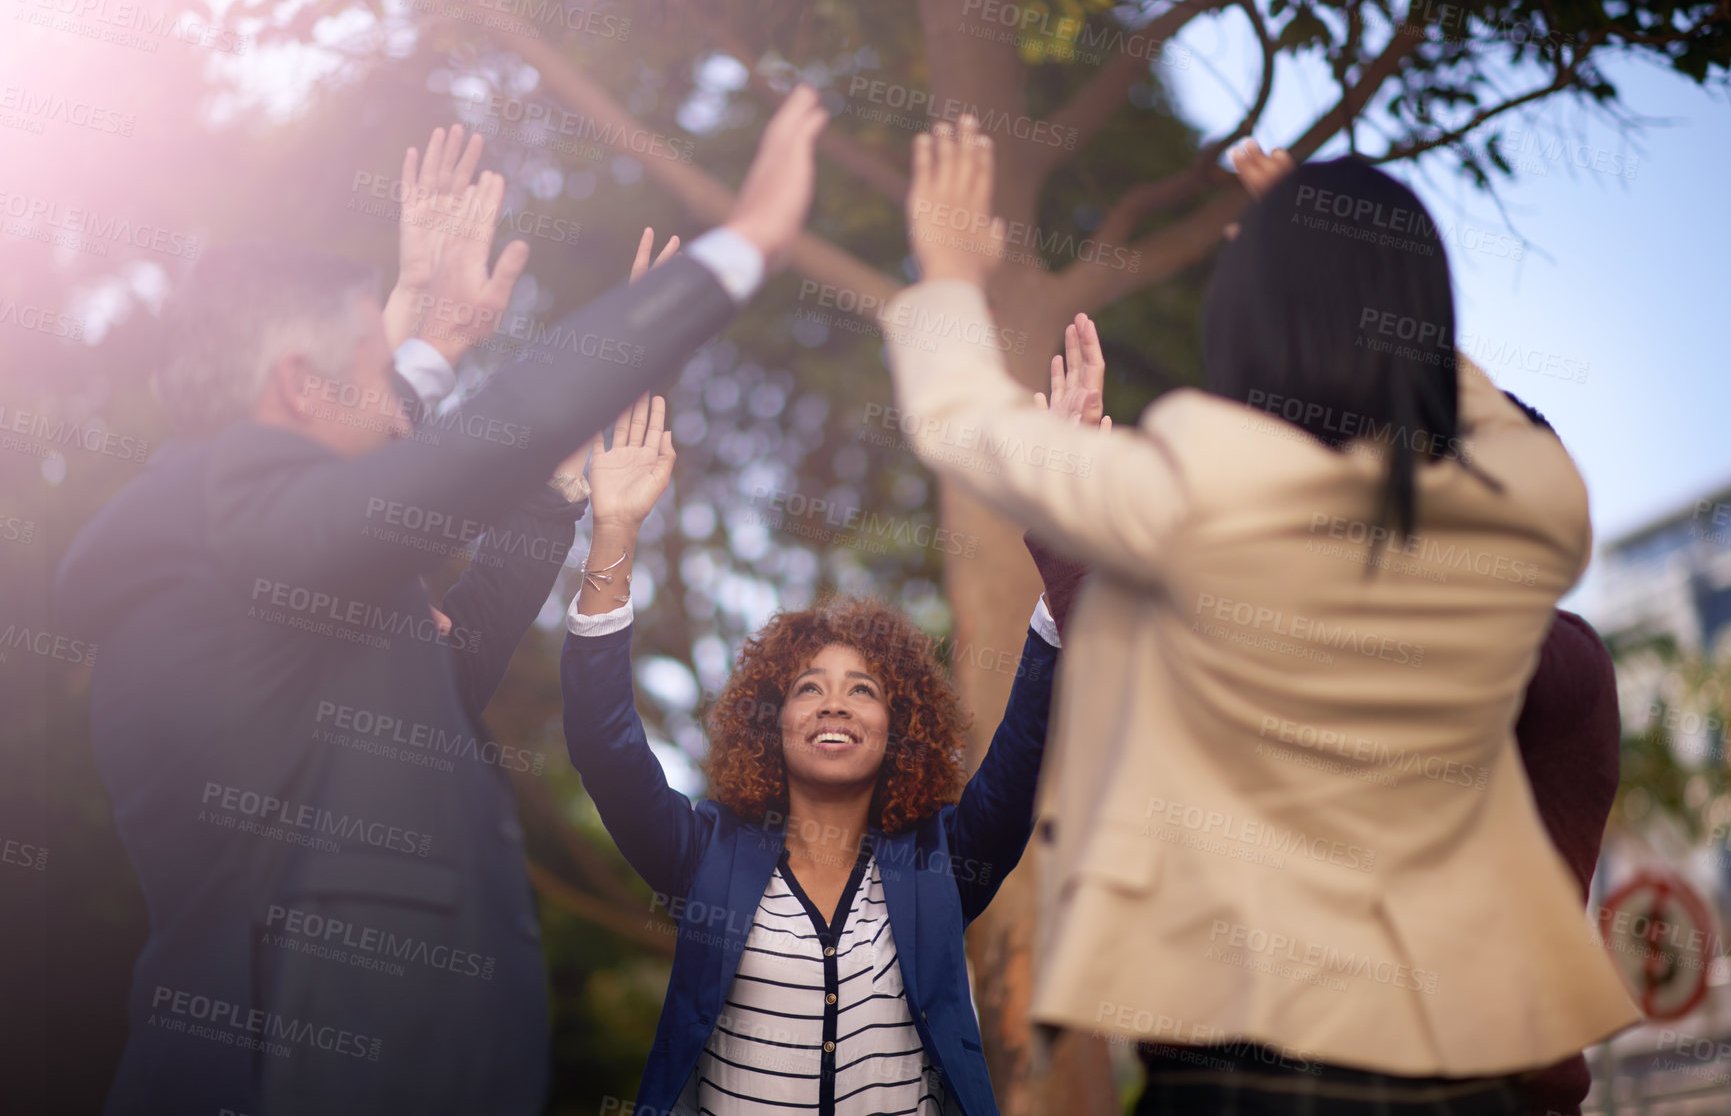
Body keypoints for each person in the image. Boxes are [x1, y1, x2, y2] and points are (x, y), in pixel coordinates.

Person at [54, 88, 828, 1116]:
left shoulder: (268, 585)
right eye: (379, 381)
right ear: (295, 387)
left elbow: (443, 668)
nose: (406, 420)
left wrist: (521, 434)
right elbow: (452, 460)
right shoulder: (220, 514)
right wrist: (738, 251)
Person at [873, 116, 1640, 1112]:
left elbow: (962, 423)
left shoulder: (1219, 498)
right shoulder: (1531, 520)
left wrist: (948, 270)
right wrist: (1363, 278)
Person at [558, 387, 1068, 1115]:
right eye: (808, 688)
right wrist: (613, 532)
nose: (834, 701)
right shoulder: (704, 855)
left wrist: (1058, 587)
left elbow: (1024, 754)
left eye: (862, 689)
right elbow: (603, 746)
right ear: (771, 722)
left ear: (901, 728)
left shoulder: (942, 860)